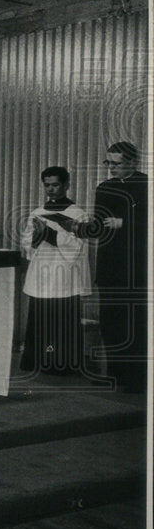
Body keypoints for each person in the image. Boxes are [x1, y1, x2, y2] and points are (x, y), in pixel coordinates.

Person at [79, 142, 148, 393]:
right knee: (111, 323)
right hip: (109, 267)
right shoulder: (105, 187)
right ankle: (117, 375)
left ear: (133, 162)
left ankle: (137, 379)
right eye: (108, 163)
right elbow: (99, 223)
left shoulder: (145, 185)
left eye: (116, 164)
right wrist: (82, 226)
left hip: (136, 268)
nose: (110, 169)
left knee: (135, 324)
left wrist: (124, 223)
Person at [19, 166, 91, 377]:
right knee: (40, 317)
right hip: (42, 272)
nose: (50, 189)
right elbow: (26, 242)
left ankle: (61, 363)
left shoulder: (77, 214)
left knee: (61, 319)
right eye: (47, 185)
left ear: (66, 185)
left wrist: (48, 233)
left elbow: (76, 246)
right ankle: (38, 360)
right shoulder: (38, 212)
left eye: (55, 185)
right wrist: (34, 238)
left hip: (63, 275)